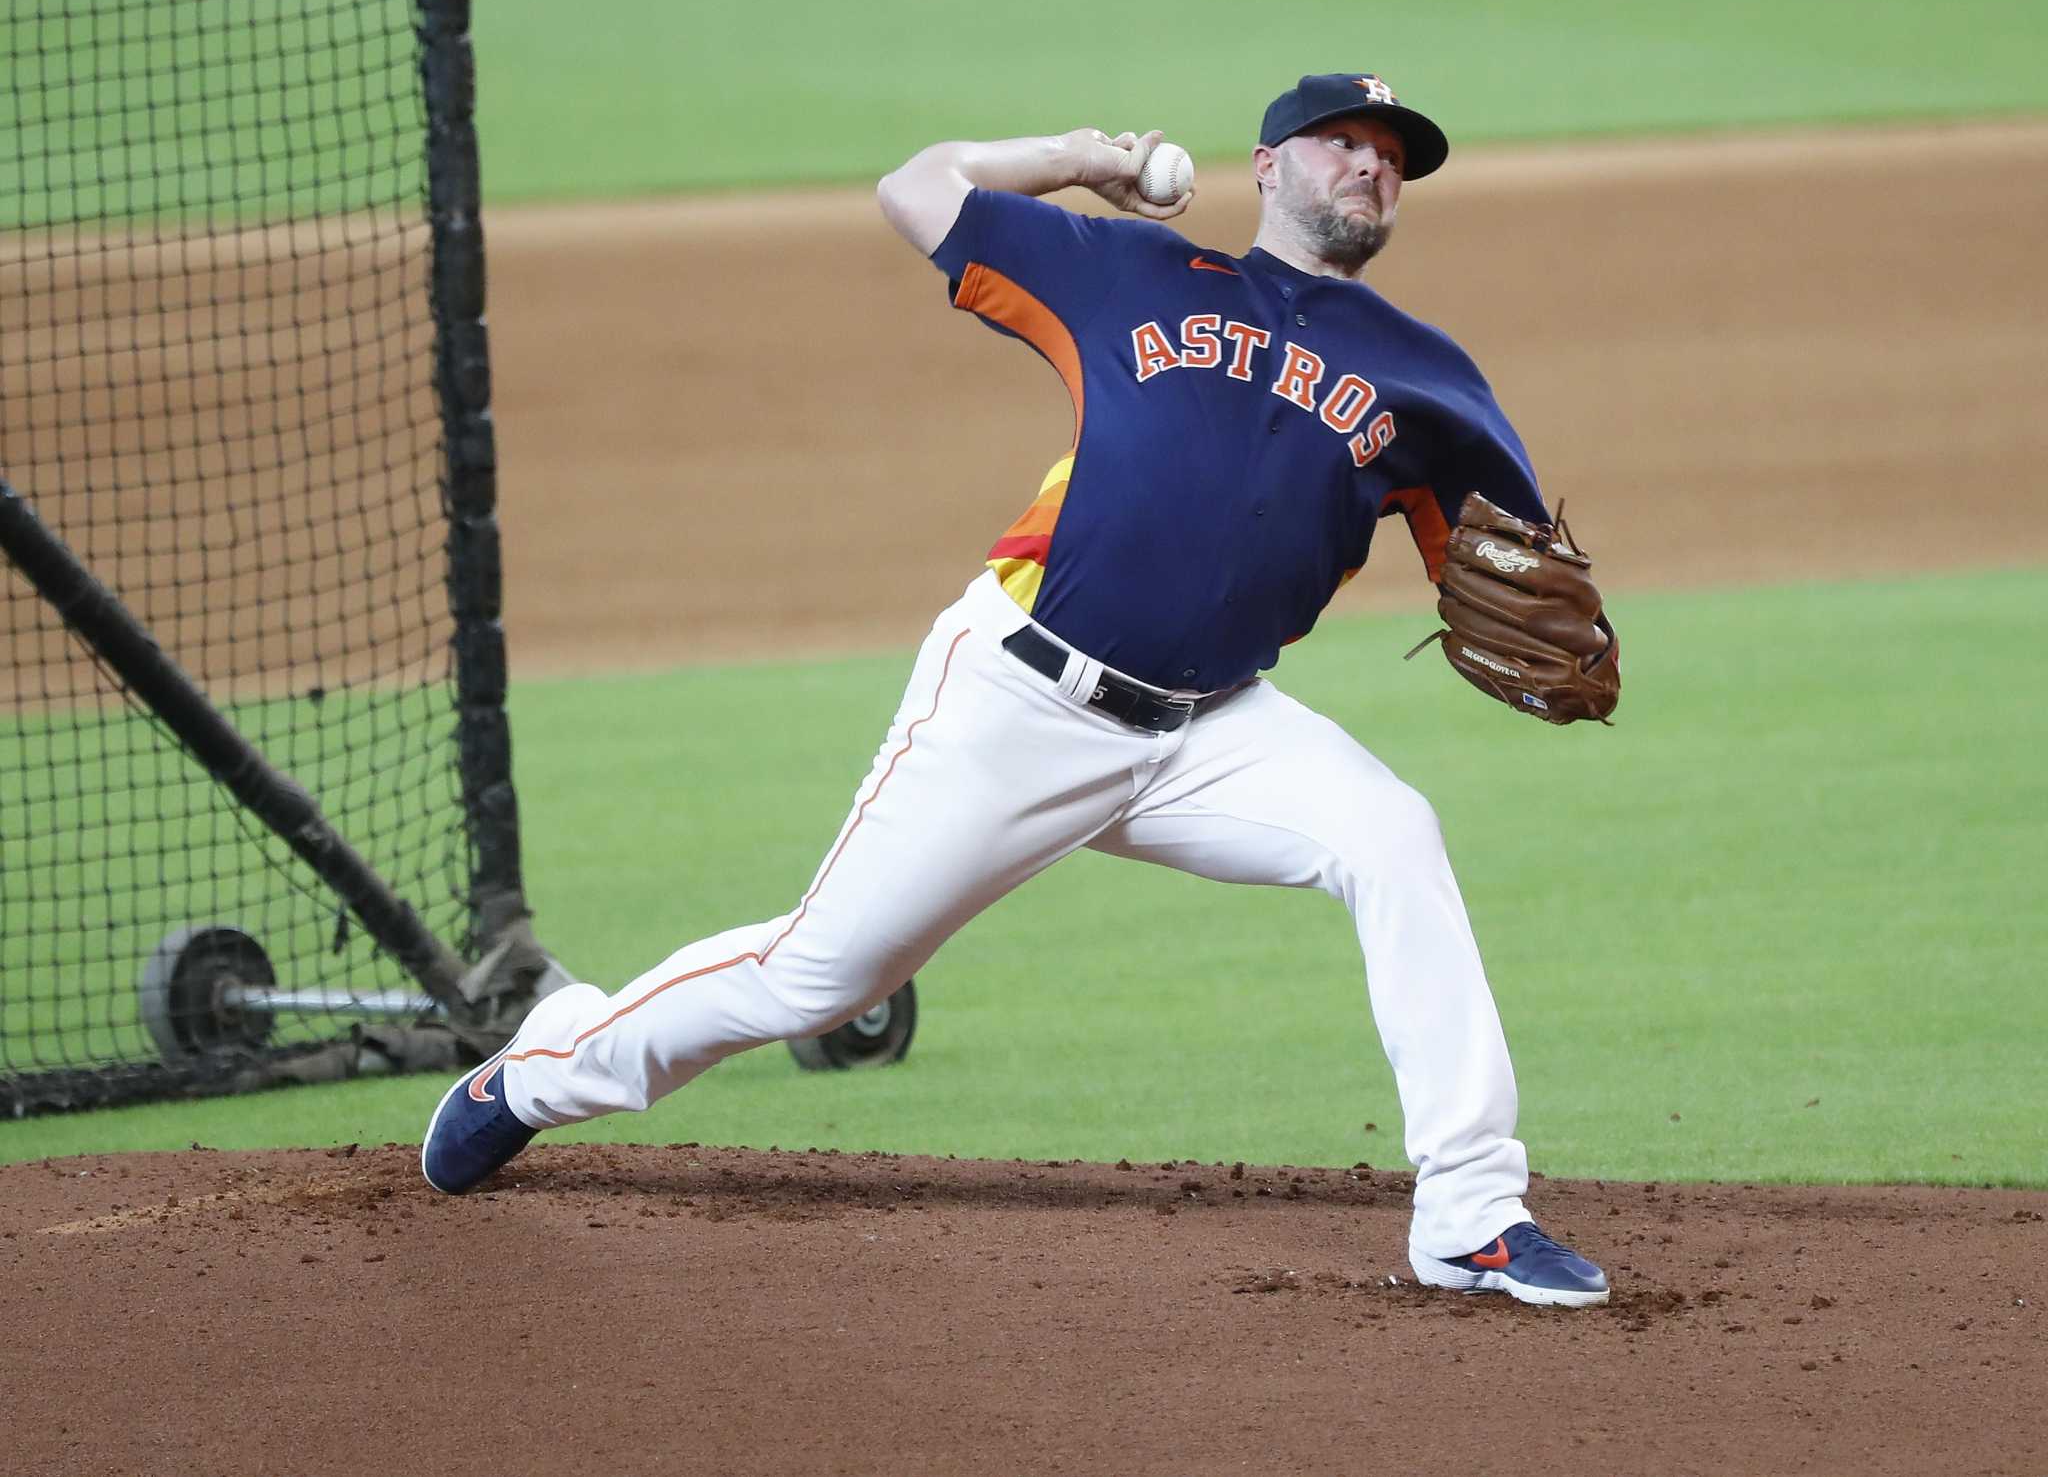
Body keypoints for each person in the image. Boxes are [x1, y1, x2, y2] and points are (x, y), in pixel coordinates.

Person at [423, 73, 1611, 1309]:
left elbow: (1520, 565)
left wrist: (1570, 636)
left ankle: (1469, 1214)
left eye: (1389, 156)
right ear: (1266, 166)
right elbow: (916, 191)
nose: (1368, 166)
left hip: (1212, 733)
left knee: (1393, 838)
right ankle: (539, 1073)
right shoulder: (1130, 275)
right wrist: (1072, 157)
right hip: (1017, 700)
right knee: (817, 979)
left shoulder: (1428, 376)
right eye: (1339, 142)